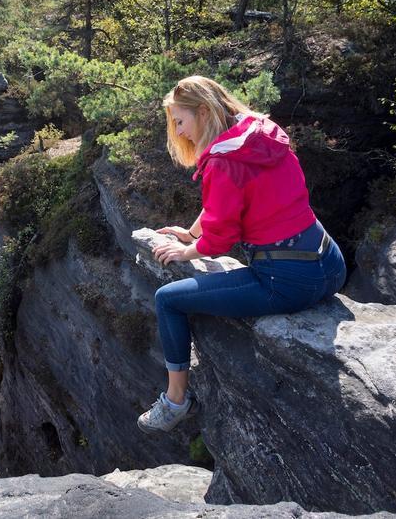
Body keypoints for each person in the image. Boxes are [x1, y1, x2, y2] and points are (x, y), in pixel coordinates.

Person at [137, 75, 347, 435]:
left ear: (203, 112)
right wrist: (190, 232)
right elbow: (225, 202)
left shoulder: (222, 161)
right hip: (330, 262)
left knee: (168, 300)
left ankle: (175, 401)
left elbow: (219, 239)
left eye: (180, 121)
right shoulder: (257, 132)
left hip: (288, 282)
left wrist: (185, 250)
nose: (180, 131)